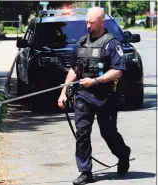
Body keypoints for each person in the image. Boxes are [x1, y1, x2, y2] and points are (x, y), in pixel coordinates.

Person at [57, 7, 131, 185]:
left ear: (101, 22)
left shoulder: (112, 44)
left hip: (106, 96)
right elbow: (74, 70)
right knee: (82, 133)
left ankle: (123, 154)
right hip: (83, 96)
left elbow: (118, 71)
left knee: (108, 133)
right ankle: (85, 172)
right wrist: (64, 92)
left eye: (92, 22)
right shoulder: (82, 42)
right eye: (87, 22)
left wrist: (96, 81)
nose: (88, 26)